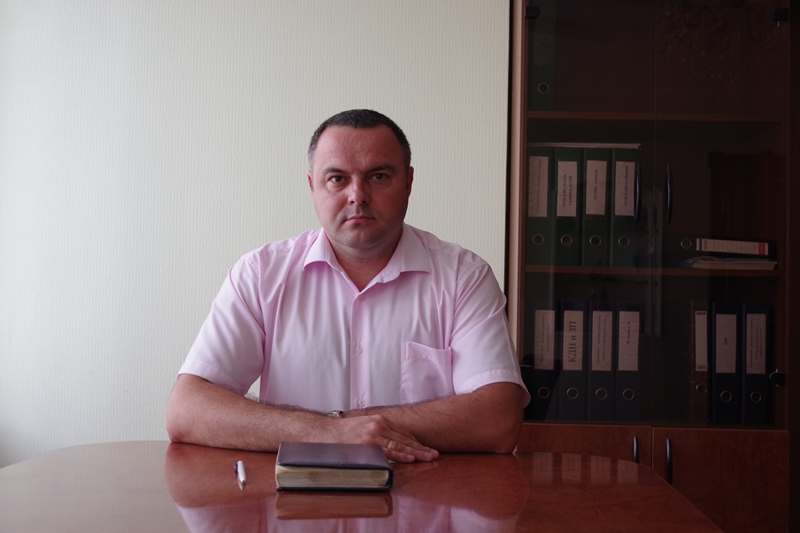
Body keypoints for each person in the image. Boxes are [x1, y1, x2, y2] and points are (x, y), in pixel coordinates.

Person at [166, 109, 530, 463]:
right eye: (337, 179)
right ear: (312, 186)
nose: (358, 195)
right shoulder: (261, 275)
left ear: (409, 182)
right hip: (292, 498)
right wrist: (328, 432)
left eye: (379, 176)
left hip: (422, 495)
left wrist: (350, 427)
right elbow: (187, 410)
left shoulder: (464, 277)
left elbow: (498, 419)